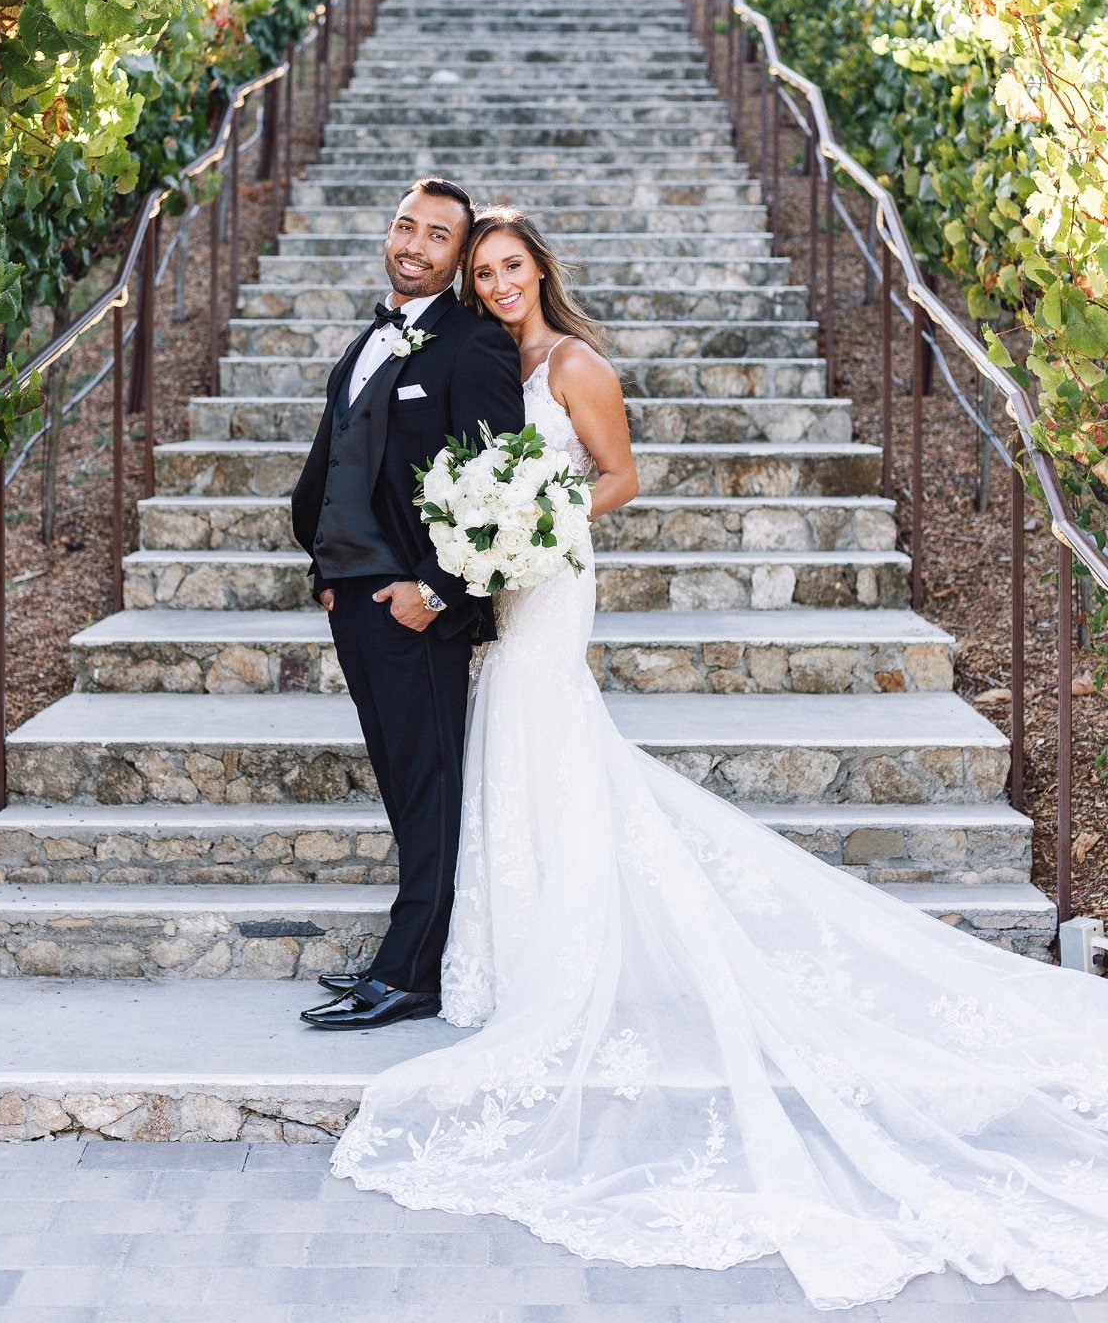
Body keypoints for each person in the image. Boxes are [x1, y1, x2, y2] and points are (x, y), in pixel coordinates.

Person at [330, 206, 1108, 1313]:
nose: (498, 285)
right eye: (485, 271)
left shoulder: (574, 361)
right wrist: (484, 535)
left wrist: (529, 524)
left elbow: (621, 477)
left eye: (511, 267)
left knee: (543, 721)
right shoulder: (482, 358)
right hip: (512, 579)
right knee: (515, 731)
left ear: (538, 269)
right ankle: (514, 945)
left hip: (551, 577)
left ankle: (563, 950)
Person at [290, 180, 525, 1031]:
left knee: (428, 788)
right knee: (399, 781)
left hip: (418, 605)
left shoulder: (475, 347)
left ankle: (414, 971)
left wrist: (436, 590)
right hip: (353, 596)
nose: (415, 244)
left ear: (459, 258)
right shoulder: (368, 339)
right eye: (405, 225)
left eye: (437, 236)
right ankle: (405, 954)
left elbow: (506, 494)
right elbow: (337, 460)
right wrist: (323, 567)